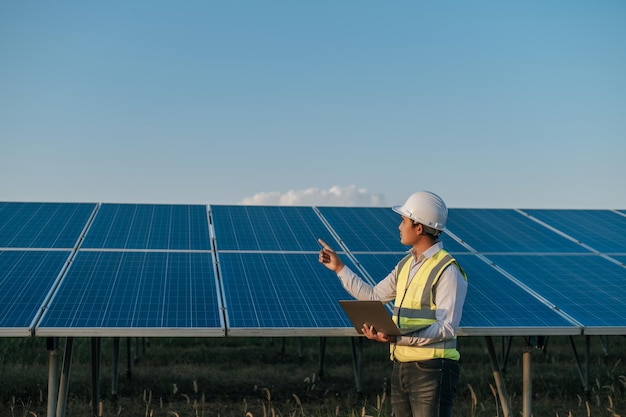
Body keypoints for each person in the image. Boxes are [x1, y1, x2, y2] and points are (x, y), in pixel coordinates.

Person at [318, 191, 468, 417]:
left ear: (419, 227)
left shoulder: (447, 269)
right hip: (402, 365)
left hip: (433, 369)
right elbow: (373, 296)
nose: (399, 226)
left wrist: (398, 337)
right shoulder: (405, 265)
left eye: (403, 221)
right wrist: (340, 268)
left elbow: (447, 328)